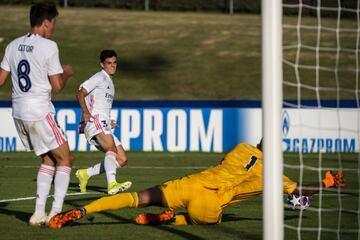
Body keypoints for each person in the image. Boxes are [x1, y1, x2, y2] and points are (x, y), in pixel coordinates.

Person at [48, 140, 345, 228]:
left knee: (136, 197)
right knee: (208, 219)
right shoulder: (273, 172)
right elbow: (298, 191)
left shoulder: (241, 148)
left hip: (191, 183)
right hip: (210, 202)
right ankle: (175, 220)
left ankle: (83, 212)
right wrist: (325, 182)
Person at [0, 2, 74, 226]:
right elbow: (58, 86)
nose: (54, 27)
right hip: (39, 110)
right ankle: (56, 213)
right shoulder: (49, 46)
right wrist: (67, 73)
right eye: (54, 23)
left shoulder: (12, 45)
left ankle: (38, 214)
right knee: (66, 159)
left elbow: (0, 80)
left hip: (19, 111)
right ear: (45, 22)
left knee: (49, 159)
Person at [75, 49, 131, 195]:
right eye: (108, 63)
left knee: (122, 159)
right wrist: (86, 113)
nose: (112, 66)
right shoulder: (100, 77)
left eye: (114, 62)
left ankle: (86, 173)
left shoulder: (110, 82)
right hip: (96, 120)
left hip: (102, 121)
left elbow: (98, 103)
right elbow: (80, 92)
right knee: (111, 149)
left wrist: (109, 121)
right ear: (102, 64)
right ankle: (112, 184)